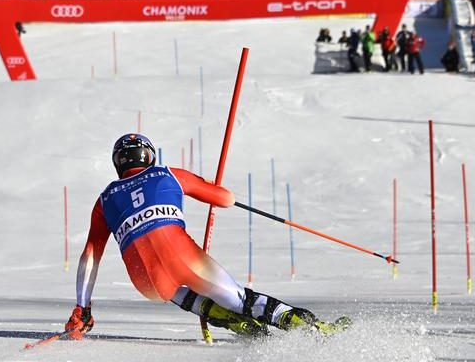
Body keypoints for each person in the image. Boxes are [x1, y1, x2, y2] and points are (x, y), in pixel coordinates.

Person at [65, 134, 350, 340]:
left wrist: (83, 308)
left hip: (145, 281)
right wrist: (217, 190)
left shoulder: (104, 199)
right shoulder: (168, 174)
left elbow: (91, 255)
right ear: (150, 156)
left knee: (175, 290)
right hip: (182, 256)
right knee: (240, 298)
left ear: (118, 164)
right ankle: (312, 328)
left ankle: (234, 322)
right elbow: (225, 199)